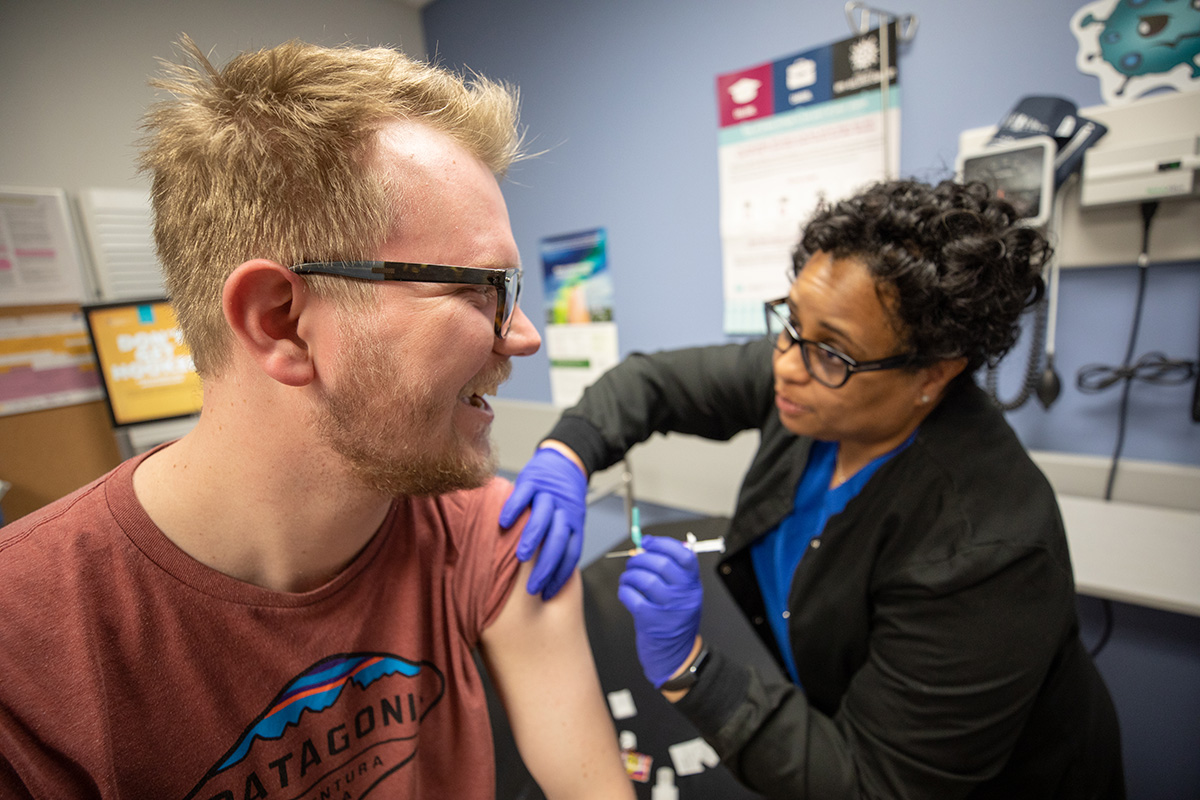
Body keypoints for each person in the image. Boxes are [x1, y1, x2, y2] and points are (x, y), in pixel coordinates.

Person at [0, 37, 633, 800]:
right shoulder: (25, 649)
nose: (524, 334)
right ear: (281, 321)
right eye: (480, 289)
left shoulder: (489, 534)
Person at [502, 179, 1125, 798]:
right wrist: (567, 452)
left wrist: (692, 669)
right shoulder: (810, 381)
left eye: (832, 351)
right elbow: (652, 384)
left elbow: (874, 787)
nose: (785, 364)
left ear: (933, 373)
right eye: (790, 322)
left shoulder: (986, 549)